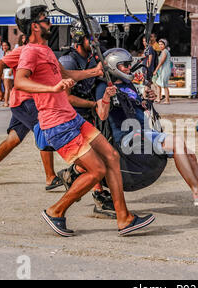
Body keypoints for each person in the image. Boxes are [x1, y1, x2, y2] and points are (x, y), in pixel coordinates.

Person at [14, 5, 154, 237]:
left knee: (111, 155)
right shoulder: (30, 52)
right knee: (97, 170)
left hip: (72, 118)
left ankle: (124, 219)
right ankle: (55, 211)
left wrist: (94, 72)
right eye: (45, 19)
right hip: (56, 123)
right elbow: (20, 81)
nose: (49, 22)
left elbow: (66, 75)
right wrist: (51, 88)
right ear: (35, 26)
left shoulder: (46, 50)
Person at [96, 48, 198, 215]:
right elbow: (102, 114)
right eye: (124, 65)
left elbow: (135, 107)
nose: (129, 68)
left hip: (145, 132)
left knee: (189, 154)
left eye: (129, 64)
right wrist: (106, 97)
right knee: (177, 141)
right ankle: (197, 192)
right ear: (113, 66)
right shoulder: (104, 86)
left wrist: (145, 99)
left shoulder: (127, 84)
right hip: (128, 137)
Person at [0, 37, 63, 191]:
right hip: (24, 101)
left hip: (33, 101)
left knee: (13, 140)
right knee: (44, 129)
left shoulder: (45, 52)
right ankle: (50, 177)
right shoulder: (23, 51)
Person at [58, 20, 115, 218]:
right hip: (71, 117)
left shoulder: (92, 59)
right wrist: (94, 104)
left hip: (88, 114)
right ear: (79, 38)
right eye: (92, 38)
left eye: (97, 37)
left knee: (103, 154)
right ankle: (98, 197)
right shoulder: (68, 62)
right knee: (97, 159)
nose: (96, 41)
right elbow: (67, 98)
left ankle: (71, 173)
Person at [153, 39, 171, 104]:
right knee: (158, 84)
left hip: (165, 70)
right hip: (162, 70)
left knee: (165, 85)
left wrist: (156, 70)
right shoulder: (163, 51)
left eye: (162, 44)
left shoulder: (165, 52)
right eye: (159, 44)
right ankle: (158, 98)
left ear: (165, 45)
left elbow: (161, 62)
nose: (160, 46)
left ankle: (167, 100)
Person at [1, 41, 13, 107]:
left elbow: (13, 62)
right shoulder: (5, 53)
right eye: (3, 46)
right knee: (10, 88)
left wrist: (11, 69)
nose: (4, 47)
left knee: (7, 88)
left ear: (8, 46)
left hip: (8, 71)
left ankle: (6, 102)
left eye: (5, 45)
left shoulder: (9, 53)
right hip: (6, 71)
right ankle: (11, 102)